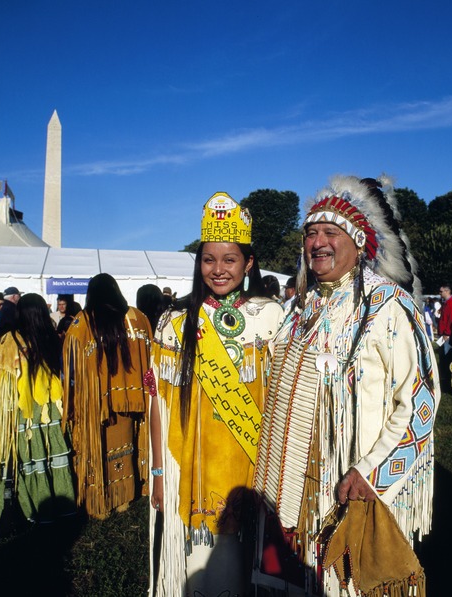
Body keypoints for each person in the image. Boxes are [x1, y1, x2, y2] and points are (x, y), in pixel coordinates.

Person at [252, 176, 439, 595]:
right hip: (292, 479)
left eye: (330, 232)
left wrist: (373, 470)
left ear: (357, 244)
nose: (318, 241)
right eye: (311, 232)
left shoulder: (388, 305)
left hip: (351, 477)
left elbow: (420, 400)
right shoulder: (298, 307)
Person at [151, 192, 284, 597]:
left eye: (230, 260)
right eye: (209, 259)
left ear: (248, 263)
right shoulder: (173, 323)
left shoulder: (271, 317)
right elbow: (157, 404)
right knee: (199, 568)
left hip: (253, 466)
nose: (219, 269)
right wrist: (159, 473)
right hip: (190, 463)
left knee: (250, 564)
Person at [62, 273, 153, 519]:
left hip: (97, 402)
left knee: (98, 448)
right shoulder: (136, 317)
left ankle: (101, 503)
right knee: (126, 444)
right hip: (130, 400)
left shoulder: (84, 321)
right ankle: (124, 497)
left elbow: (71, 358)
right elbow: (149, 353)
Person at [0, 293, 76, 526]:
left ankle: (33, 506)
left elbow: (4, 382)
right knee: (52, 457)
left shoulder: (10, 340)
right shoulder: (52, 337)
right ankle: (62, 506)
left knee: (31, 458)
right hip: (50, 409)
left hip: (24, 412)